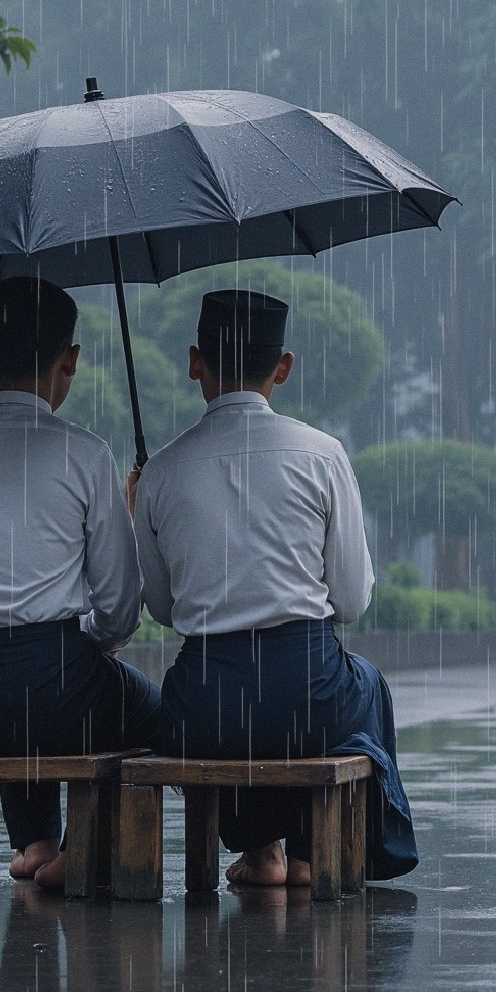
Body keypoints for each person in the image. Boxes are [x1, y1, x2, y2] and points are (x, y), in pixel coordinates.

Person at [133, 289, 416, 888]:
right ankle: (315, 852)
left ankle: (261, 852)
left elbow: (161, 608)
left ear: (195, 361)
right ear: (282, 367)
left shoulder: (160, 470)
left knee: (234, 714)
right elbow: (352, 602)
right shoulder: (323, 455)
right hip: (306, 691)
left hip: (207, 703)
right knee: (364, 685)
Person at [0, 277, 157, 892]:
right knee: (150, 711)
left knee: (26, 677)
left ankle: (34, 842)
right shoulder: (85, 454)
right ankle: (84, 849)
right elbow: (121, 607)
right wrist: (92, 640)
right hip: (50, 693)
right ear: (70, 358)